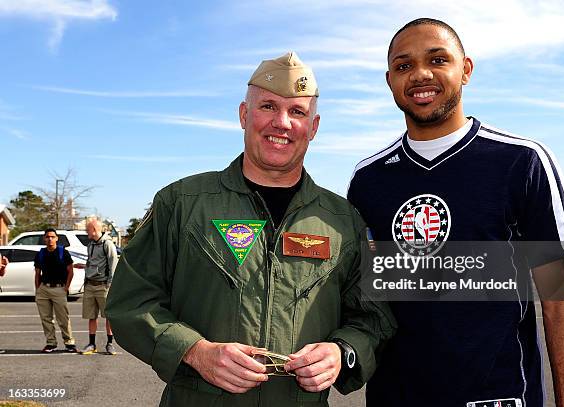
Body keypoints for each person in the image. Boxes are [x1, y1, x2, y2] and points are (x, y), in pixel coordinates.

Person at [106, 52, 395, 406]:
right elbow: (130, 303)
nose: (282, 123)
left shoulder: (343, 220)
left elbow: (373, 318)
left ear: (314, 127)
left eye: (297, 112)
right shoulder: (182, 203)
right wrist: (196, 351)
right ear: (245, 115)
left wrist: (341, 351)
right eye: (269, 107)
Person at [348, 18, 564, 407]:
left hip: (497, 398)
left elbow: (563, 305)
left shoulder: (522, 162)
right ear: (390, 80)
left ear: (466, 70)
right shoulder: (368, 179)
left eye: (438, 59)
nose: (420, 75)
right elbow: (363, 299)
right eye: (403, 65)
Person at [76, 219, 118, 355]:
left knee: (108, 316)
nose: (86, 232)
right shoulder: (91, 245)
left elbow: (113, 265)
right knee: (91, 316)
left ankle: (110, 344)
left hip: (103, 286)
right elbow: (92, 262)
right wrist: (85, 268)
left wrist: (110, 285)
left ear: (94, 229)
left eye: (87, 229)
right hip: (90, 285)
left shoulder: (108, 244)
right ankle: (92, 344)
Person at [34, 228, 78, 353]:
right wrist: (38, 289)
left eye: (52, 237)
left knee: (63, 318)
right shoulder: (40, 254)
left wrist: (66, 287)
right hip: (44, 289)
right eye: (47, 237)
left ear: (57, 238)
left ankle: (69, 343)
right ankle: (51, 343)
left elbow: (70, 270)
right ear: (44, 239)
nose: (50, 239)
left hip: (59, 288)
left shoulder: (63, 253)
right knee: (46, 319)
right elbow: (37, 273)